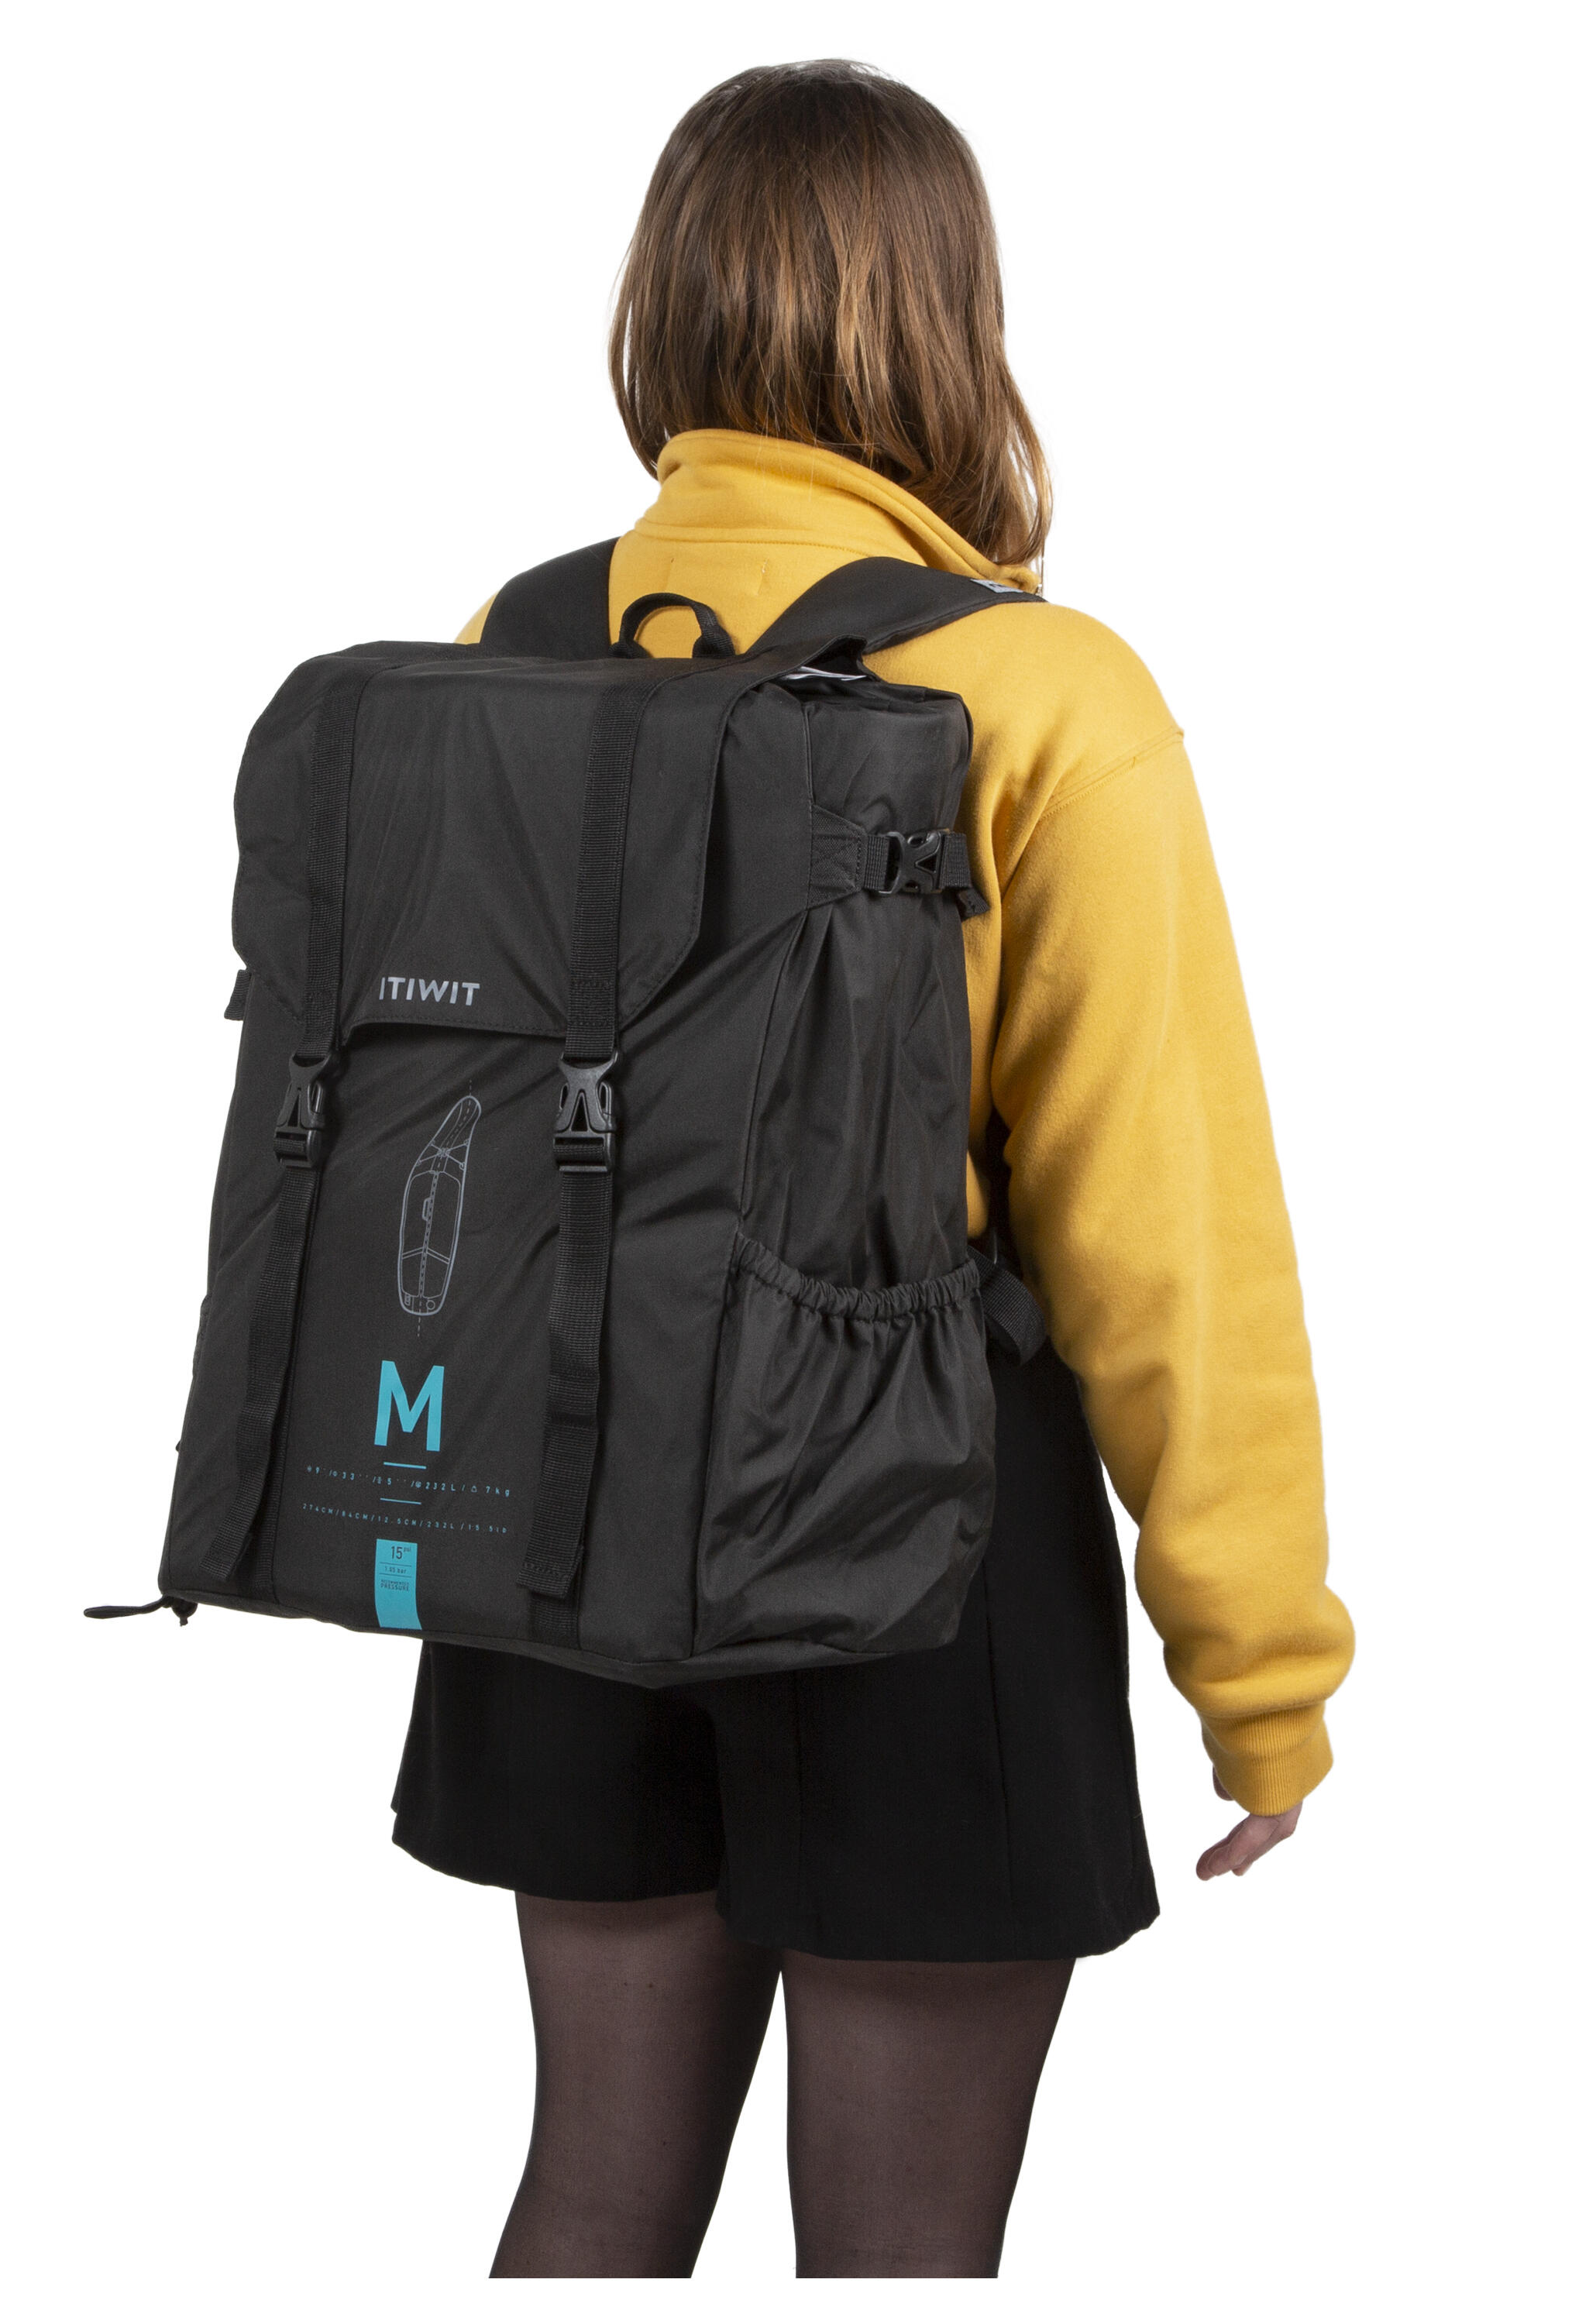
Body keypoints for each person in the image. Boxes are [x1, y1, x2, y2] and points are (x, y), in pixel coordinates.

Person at [390, 59, 1355, 2278]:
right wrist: (1263, 1677)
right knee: (901, 2256)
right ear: (948, 318)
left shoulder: (510, 647)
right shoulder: (1045, 693)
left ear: (663, 303)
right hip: (926, 1554)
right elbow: (1168, 1237)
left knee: (596, 2189)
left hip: (564, 1523)